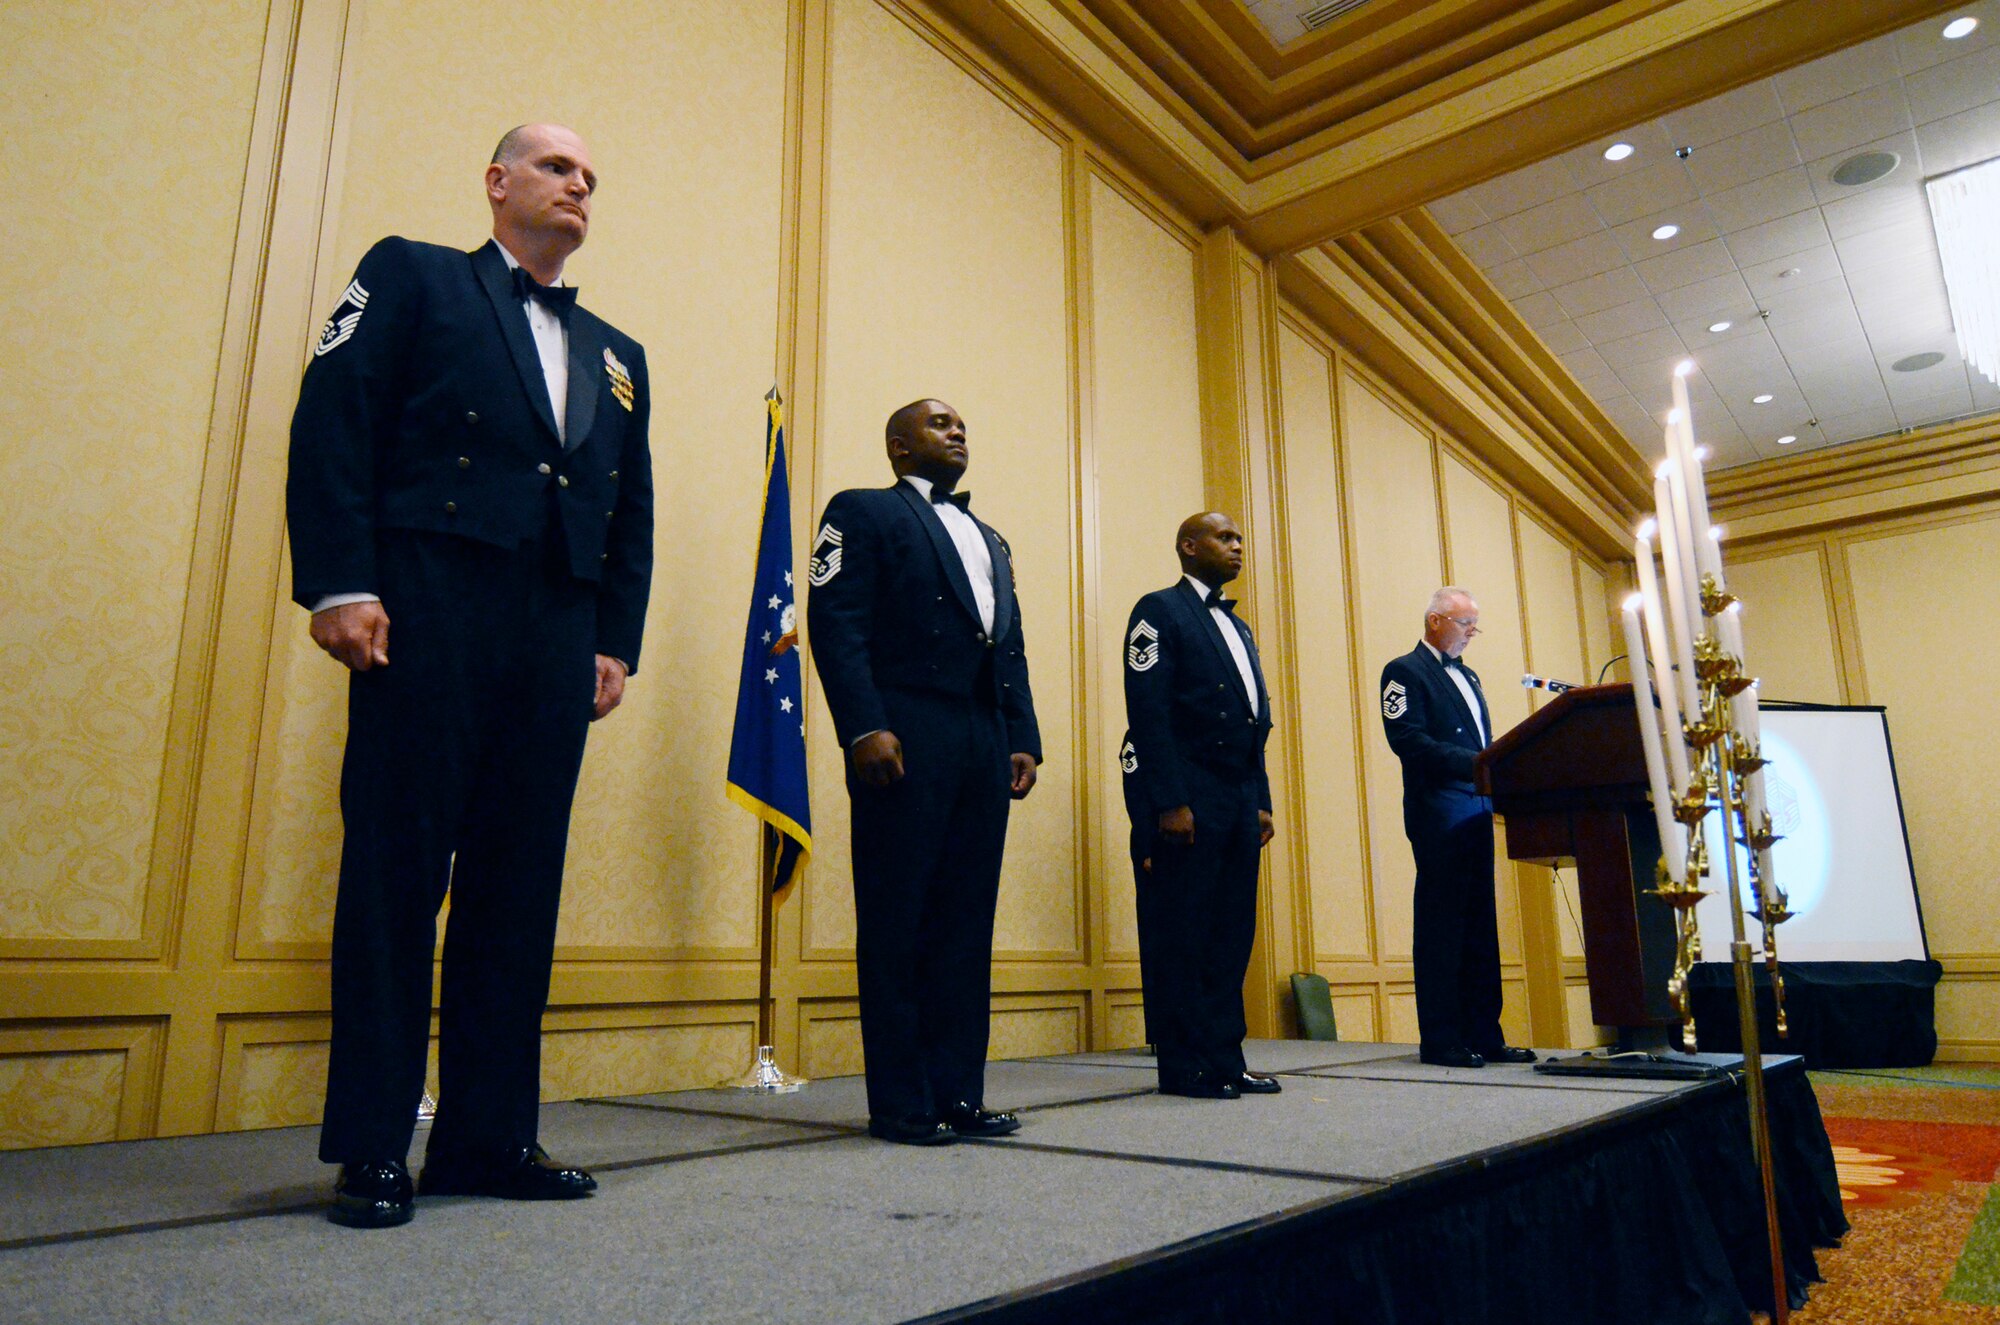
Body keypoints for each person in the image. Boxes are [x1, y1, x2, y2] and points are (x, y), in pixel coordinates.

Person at [286, 124, 653, 1227]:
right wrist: (339, 580)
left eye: (591, 173)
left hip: (554, 632)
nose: (579, 181)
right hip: (428, 603)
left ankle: (487, 1134)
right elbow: (334, 422)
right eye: (555, 166)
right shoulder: (410, 272)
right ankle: (372, 1142)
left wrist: (613, 637)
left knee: (518, 885)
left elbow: (628, 510)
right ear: (498, 183)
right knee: (396, 874)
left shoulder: (618, 352)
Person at [806, 400, 1041, 1145]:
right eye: (940, 423)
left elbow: (1009, 645)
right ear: (899, 444)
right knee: (898, 916)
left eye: (964, 423)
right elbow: (835, 620)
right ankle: (904, 1101)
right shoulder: (862, 510)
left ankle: (959, 1093)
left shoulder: (991, 537)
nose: (959, 430)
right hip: (903, 726)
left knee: (967, 921)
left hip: (981, 732)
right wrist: (862, 724)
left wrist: (1022, 733)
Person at [1119, 513, 1277, 1099]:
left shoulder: (1242, 628)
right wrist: (1169, 800)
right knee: (1184, 929)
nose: (1237, 546)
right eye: (1224, 537)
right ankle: (1186, 1065)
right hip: (1189, 790)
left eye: (1240, 537)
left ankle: (1225, 1056)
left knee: (1232, 931)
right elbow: (1149, 713)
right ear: (1188, 546)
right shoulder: (1158, 610)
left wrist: (1260, 799)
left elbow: (1254, 722)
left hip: (1237, 793)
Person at [1378, 588, 1535, 1069]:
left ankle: (1485, 1034)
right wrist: (1480, 763)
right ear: (1434, 621)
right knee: (1443, 926)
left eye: (1474, 625)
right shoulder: (1403, 672)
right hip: (1438, 811)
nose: (1472, 633)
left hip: (1477, 810)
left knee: (1480, 928)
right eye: (1465, 623)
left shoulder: (1469, 676)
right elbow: (1407, 740)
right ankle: (1442, 1038)